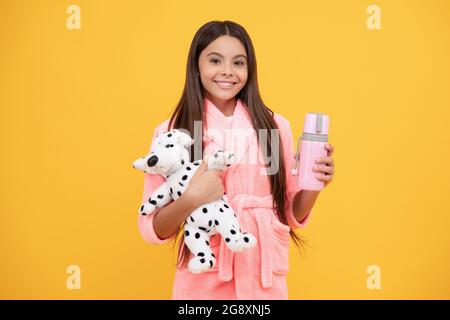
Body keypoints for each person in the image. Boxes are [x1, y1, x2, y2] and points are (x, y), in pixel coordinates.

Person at [138, 20, 335, 299]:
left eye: (238, 63)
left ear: (249, 69)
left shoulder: (273, 128)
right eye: (215, 60)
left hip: (263, 282)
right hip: (204, 285)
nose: (227, 72)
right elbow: (152, 228)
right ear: (196, 66)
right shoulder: (175, 132)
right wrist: (191, 198)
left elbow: (290, 213)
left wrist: (314, 184)